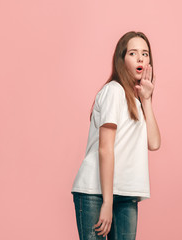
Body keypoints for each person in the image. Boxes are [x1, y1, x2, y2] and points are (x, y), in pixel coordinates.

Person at [71, 31, 161, 240]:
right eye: (133, 53)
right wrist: (107, 202)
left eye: (145, 54)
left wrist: (146, 99)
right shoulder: (114, 92)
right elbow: (105, 148)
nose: (141, 58)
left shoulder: (137, 101)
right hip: (96, 192)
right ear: (121, 59)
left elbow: (154, 143)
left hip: (126, 192)